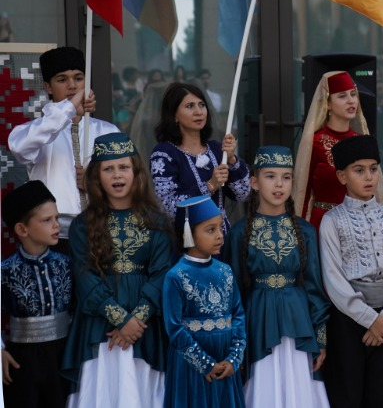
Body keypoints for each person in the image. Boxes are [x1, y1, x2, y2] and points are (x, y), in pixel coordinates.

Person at [61, 132, 173, 407]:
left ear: (136, 172)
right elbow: (85, 278)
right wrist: (121, 320)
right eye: (108, 169)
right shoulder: (83, 225)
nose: (117, 175)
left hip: (145, 328)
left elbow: (162, 274)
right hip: (99, 327)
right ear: (96, 176)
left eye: (123, 167)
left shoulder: (158, 222)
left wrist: (136, 320)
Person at [227, 146, 330, 407]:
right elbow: (233, 293)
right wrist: (235, 343)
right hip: (257, 321)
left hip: (298, 320)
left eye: (286, 177)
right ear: (254, 182)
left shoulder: (305, 231)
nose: (279, 184)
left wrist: (320, 339)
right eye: (270, 176)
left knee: (298, 387)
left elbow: (314, 288)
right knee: (263, 386)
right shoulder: (239, 233)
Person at [319, 135, 383, 408]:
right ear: (342, 176)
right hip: (347, 320)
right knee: (347, 391)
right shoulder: (332, 221)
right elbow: (333, 278)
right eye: (358, 170)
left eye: (373, 168)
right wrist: (370, 319)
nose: (368, 176)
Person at [8, 46, 119, 255]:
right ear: (48, 87)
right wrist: (70, 108)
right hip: (52, 237)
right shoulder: (34, 132)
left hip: (100, 232)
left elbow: (127, 182)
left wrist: (95, 184)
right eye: (62, 79)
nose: (72, 86)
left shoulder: (108, 131)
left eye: (78, 78)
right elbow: (20, 147)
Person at [163, 196, 246, 408]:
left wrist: (234, 358)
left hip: (225, 362)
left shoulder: (225, 271)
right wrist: (205, 364)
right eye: (210, 230)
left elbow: (238, 315)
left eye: (220, 228)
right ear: (188, 233)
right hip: (192, 366)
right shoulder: (176, 276)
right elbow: (174, 329)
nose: (219, 235)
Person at [150, 82, 250, 255]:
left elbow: (243, 193)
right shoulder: (164, 154)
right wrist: (210, 185)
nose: (199, 112)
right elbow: (168, 207)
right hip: (185, 245)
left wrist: (231, 159)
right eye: (189, 106)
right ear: (174, 115)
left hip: (221, 243)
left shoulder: (217, 149)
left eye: (201, 105)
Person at [1, 181, 72, 408]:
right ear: (22, 230)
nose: (56, 225)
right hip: (22, 360)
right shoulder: (6, 270)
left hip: (63, 355)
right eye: (47, 220)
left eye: (56, 218)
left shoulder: (67, 264)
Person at [293, 71, 383, 232]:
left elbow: (374, 191)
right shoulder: (315, 143)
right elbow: (303, 193)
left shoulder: (362, 141)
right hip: (322, 224)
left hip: (359, 224)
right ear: (328, 103)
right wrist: (302, 234)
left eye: (353, 94)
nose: (351, 101)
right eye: (342, 96)